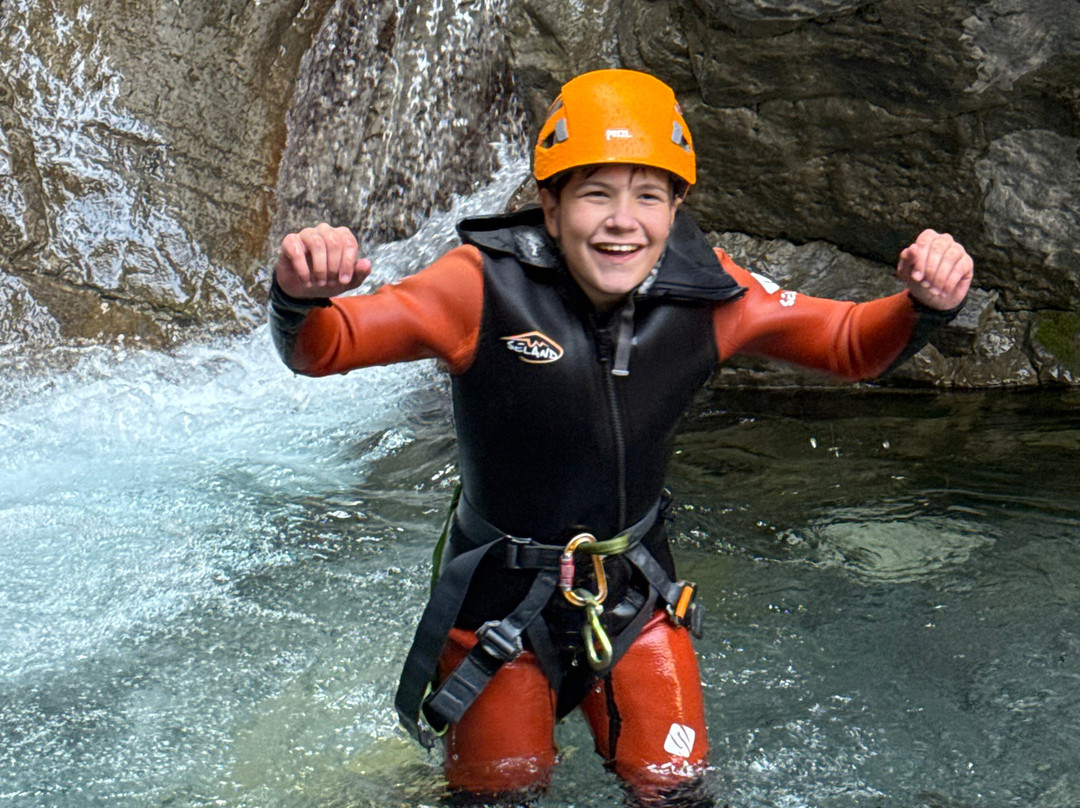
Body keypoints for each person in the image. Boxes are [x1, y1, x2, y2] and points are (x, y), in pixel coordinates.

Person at [268, 69, 974, 804]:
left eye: (648, 196)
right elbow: (327, 346)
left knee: (673, 790)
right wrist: (300, 295)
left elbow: (851, 344)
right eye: (596, 194)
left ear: (675, 209)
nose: (622, 221)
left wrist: (924, 304)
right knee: (499, 795)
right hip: (500, 606)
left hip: (635, 595)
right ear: (550, 205)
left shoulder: (709, 294)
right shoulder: (476, 285)